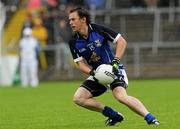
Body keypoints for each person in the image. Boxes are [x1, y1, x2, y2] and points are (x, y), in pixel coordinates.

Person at [68, 7, 160, 126]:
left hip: (114, 70)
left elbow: (121, 41)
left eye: (73, 19)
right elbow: (80, 64)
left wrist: (115, 61)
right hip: (97, 74)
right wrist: (93, 73)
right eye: (69, 20)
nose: (70, 22)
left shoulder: (98, 30)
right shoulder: (73, 42)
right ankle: (113, 115)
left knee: (121, 96)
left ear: (83, 19)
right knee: (78, 98)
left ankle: (150, 118)